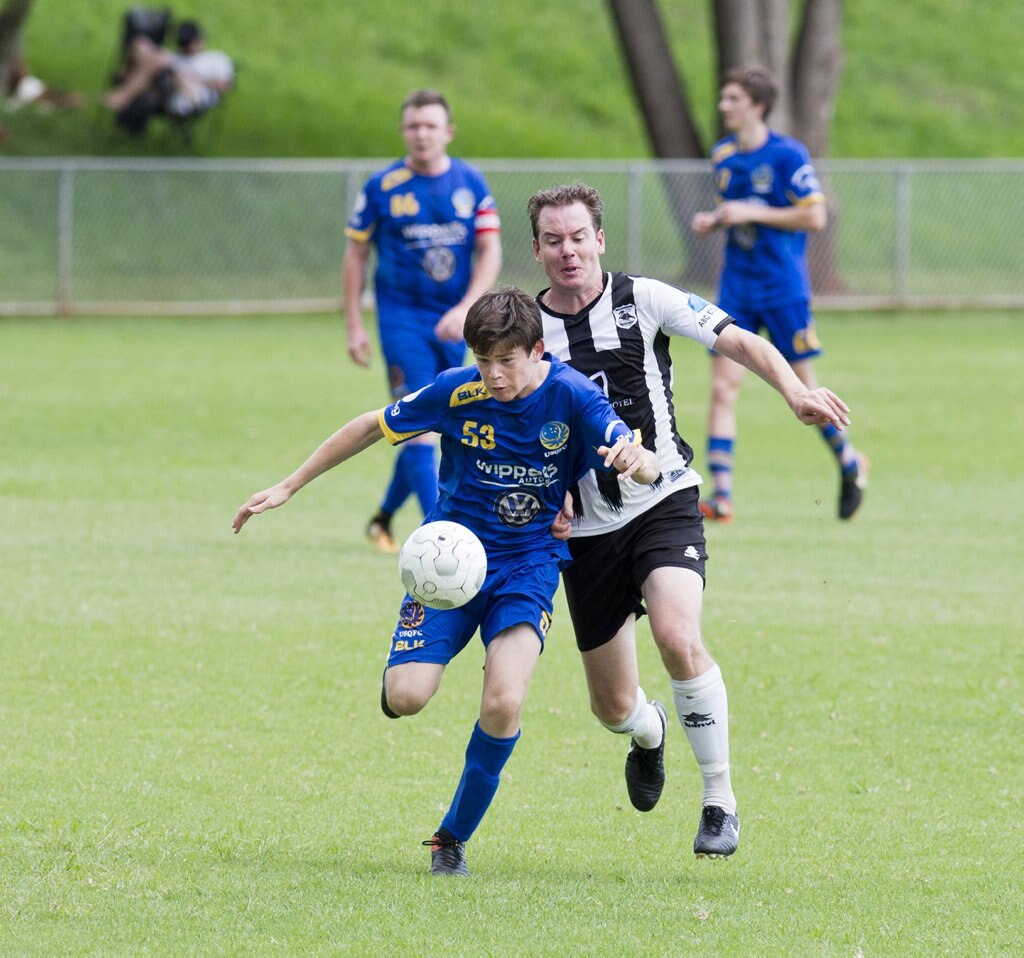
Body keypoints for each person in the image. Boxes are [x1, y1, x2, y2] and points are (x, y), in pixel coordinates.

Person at [233, 287, 660, 876]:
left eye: (506, 361)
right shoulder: (458, 390)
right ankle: (406, 672)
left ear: (538, 350)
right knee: (406, 698)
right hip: (449, 566)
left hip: (528, 567)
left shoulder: (573, 397)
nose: (493, 375)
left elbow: (643, 458)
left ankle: (451, 838)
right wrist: (288, 485)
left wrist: (636, 460)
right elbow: (368, 426)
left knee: (504, 700)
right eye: (483, 361)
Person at [529, 182, 853, 858]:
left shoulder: (644, 298)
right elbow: (521, 424)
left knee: (679, 636)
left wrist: (795, 389)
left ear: (600, 239)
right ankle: (649, 735)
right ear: (536, 249)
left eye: (578, 236)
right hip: (587, 531)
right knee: (612, 707)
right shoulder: (529, 335)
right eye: (554, 240)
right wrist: (546, 493)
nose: (568, 251)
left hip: (664, 498)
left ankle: (719, 799)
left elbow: (738, 338)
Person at [691, 66, 868, 522]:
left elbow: (815, 218)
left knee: (806, 386)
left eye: (731, 98)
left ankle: (849, 462)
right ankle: (722, 495)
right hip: (737, 287)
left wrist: (752, 210)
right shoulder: (724, 155)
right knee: (723, 388)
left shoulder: (788, 155)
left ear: (757, 105)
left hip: (783, 289)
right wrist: (716, 220)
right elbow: (738, 210)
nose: (723, 106)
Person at [343, 89, 502, 554]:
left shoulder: (471, 183)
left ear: (448, 132)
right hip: (401, 319)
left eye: (431, 125)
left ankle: (382, 518)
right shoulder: (382, 187)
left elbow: (490, 248)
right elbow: (355, 254)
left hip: (455, 321)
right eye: (413, 126)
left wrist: (468, 307)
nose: (421, 134)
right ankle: (443, 535)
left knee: (436, 417)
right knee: (417, 424)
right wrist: (354, 323)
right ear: (403, 132)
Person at [102, 20, 234, 135]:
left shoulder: (216, 59)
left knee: (166, 65)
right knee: (142, 46)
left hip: (193, 97)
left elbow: (224, 86)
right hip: (164, 91)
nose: (186, 48)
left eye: (189, 43)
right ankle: (125, 93)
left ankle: (123, 96)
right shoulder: (178, 58)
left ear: (200, 40)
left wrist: (189, 76)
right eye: (183, 44)